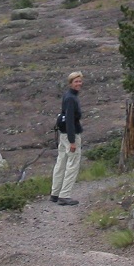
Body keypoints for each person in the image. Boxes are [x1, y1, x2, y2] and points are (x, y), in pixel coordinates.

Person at [51, 71, 84, 206]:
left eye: (80, 81)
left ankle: (55, 193)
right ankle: (64, 195)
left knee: (61, 162)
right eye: (76, 81)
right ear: (70, 83)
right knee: (72, 164)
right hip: (71, 135)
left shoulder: (67, 95)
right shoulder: (71, 98)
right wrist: (72, 141)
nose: (79, 84)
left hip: (63, 134)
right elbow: (70, 120)